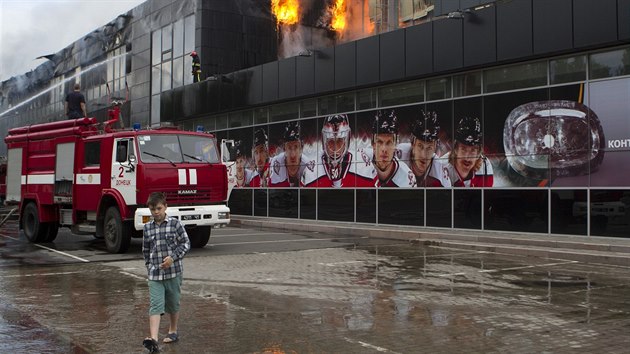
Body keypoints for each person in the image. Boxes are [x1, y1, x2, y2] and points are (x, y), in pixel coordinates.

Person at [142, 192, 191, 353]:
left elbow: (185, 243)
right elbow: (146, 249)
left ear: (165, 207)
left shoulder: (175, 224)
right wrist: (149, 266)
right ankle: (154, 340)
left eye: (158, 208)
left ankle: (173, 330)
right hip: (155, 275)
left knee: (173, 303)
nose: (156, 212)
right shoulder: (147, 228)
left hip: (174, 272)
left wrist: (173, 258)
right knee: (155, 305)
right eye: (152, 209)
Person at [302, 114, 375, 187]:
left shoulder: (363, 166)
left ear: (347, 140)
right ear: (324, 141)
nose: (335, 148)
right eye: (331, 141)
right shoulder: (311, 171)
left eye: (339, 141)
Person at [397, 110, 451, 187]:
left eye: (429, 147)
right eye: (420, 146)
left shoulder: (440, 171)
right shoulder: (399, 155)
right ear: (413, 144)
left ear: (435, 147)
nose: (424, 155)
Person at [444, 116, 494, 187]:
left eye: (473, 150)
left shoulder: (485, 167)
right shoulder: (441, 167)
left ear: (478, 153)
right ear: (455, 149)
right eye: (463, 149)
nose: (467, 157)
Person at [371, 110, 416, 187]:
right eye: (380, 142)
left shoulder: (406, 179)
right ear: (373, 143)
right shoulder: (362, 161)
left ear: (395, 144)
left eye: (389, 143)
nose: (384, 149)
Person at [269, 121, 307, 187]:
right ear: (284, 149)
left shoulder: (307, 166)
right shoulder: (276, 164)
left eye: (296, 147)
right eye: (289, 147)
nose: (293, 155)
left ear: (301, 149)